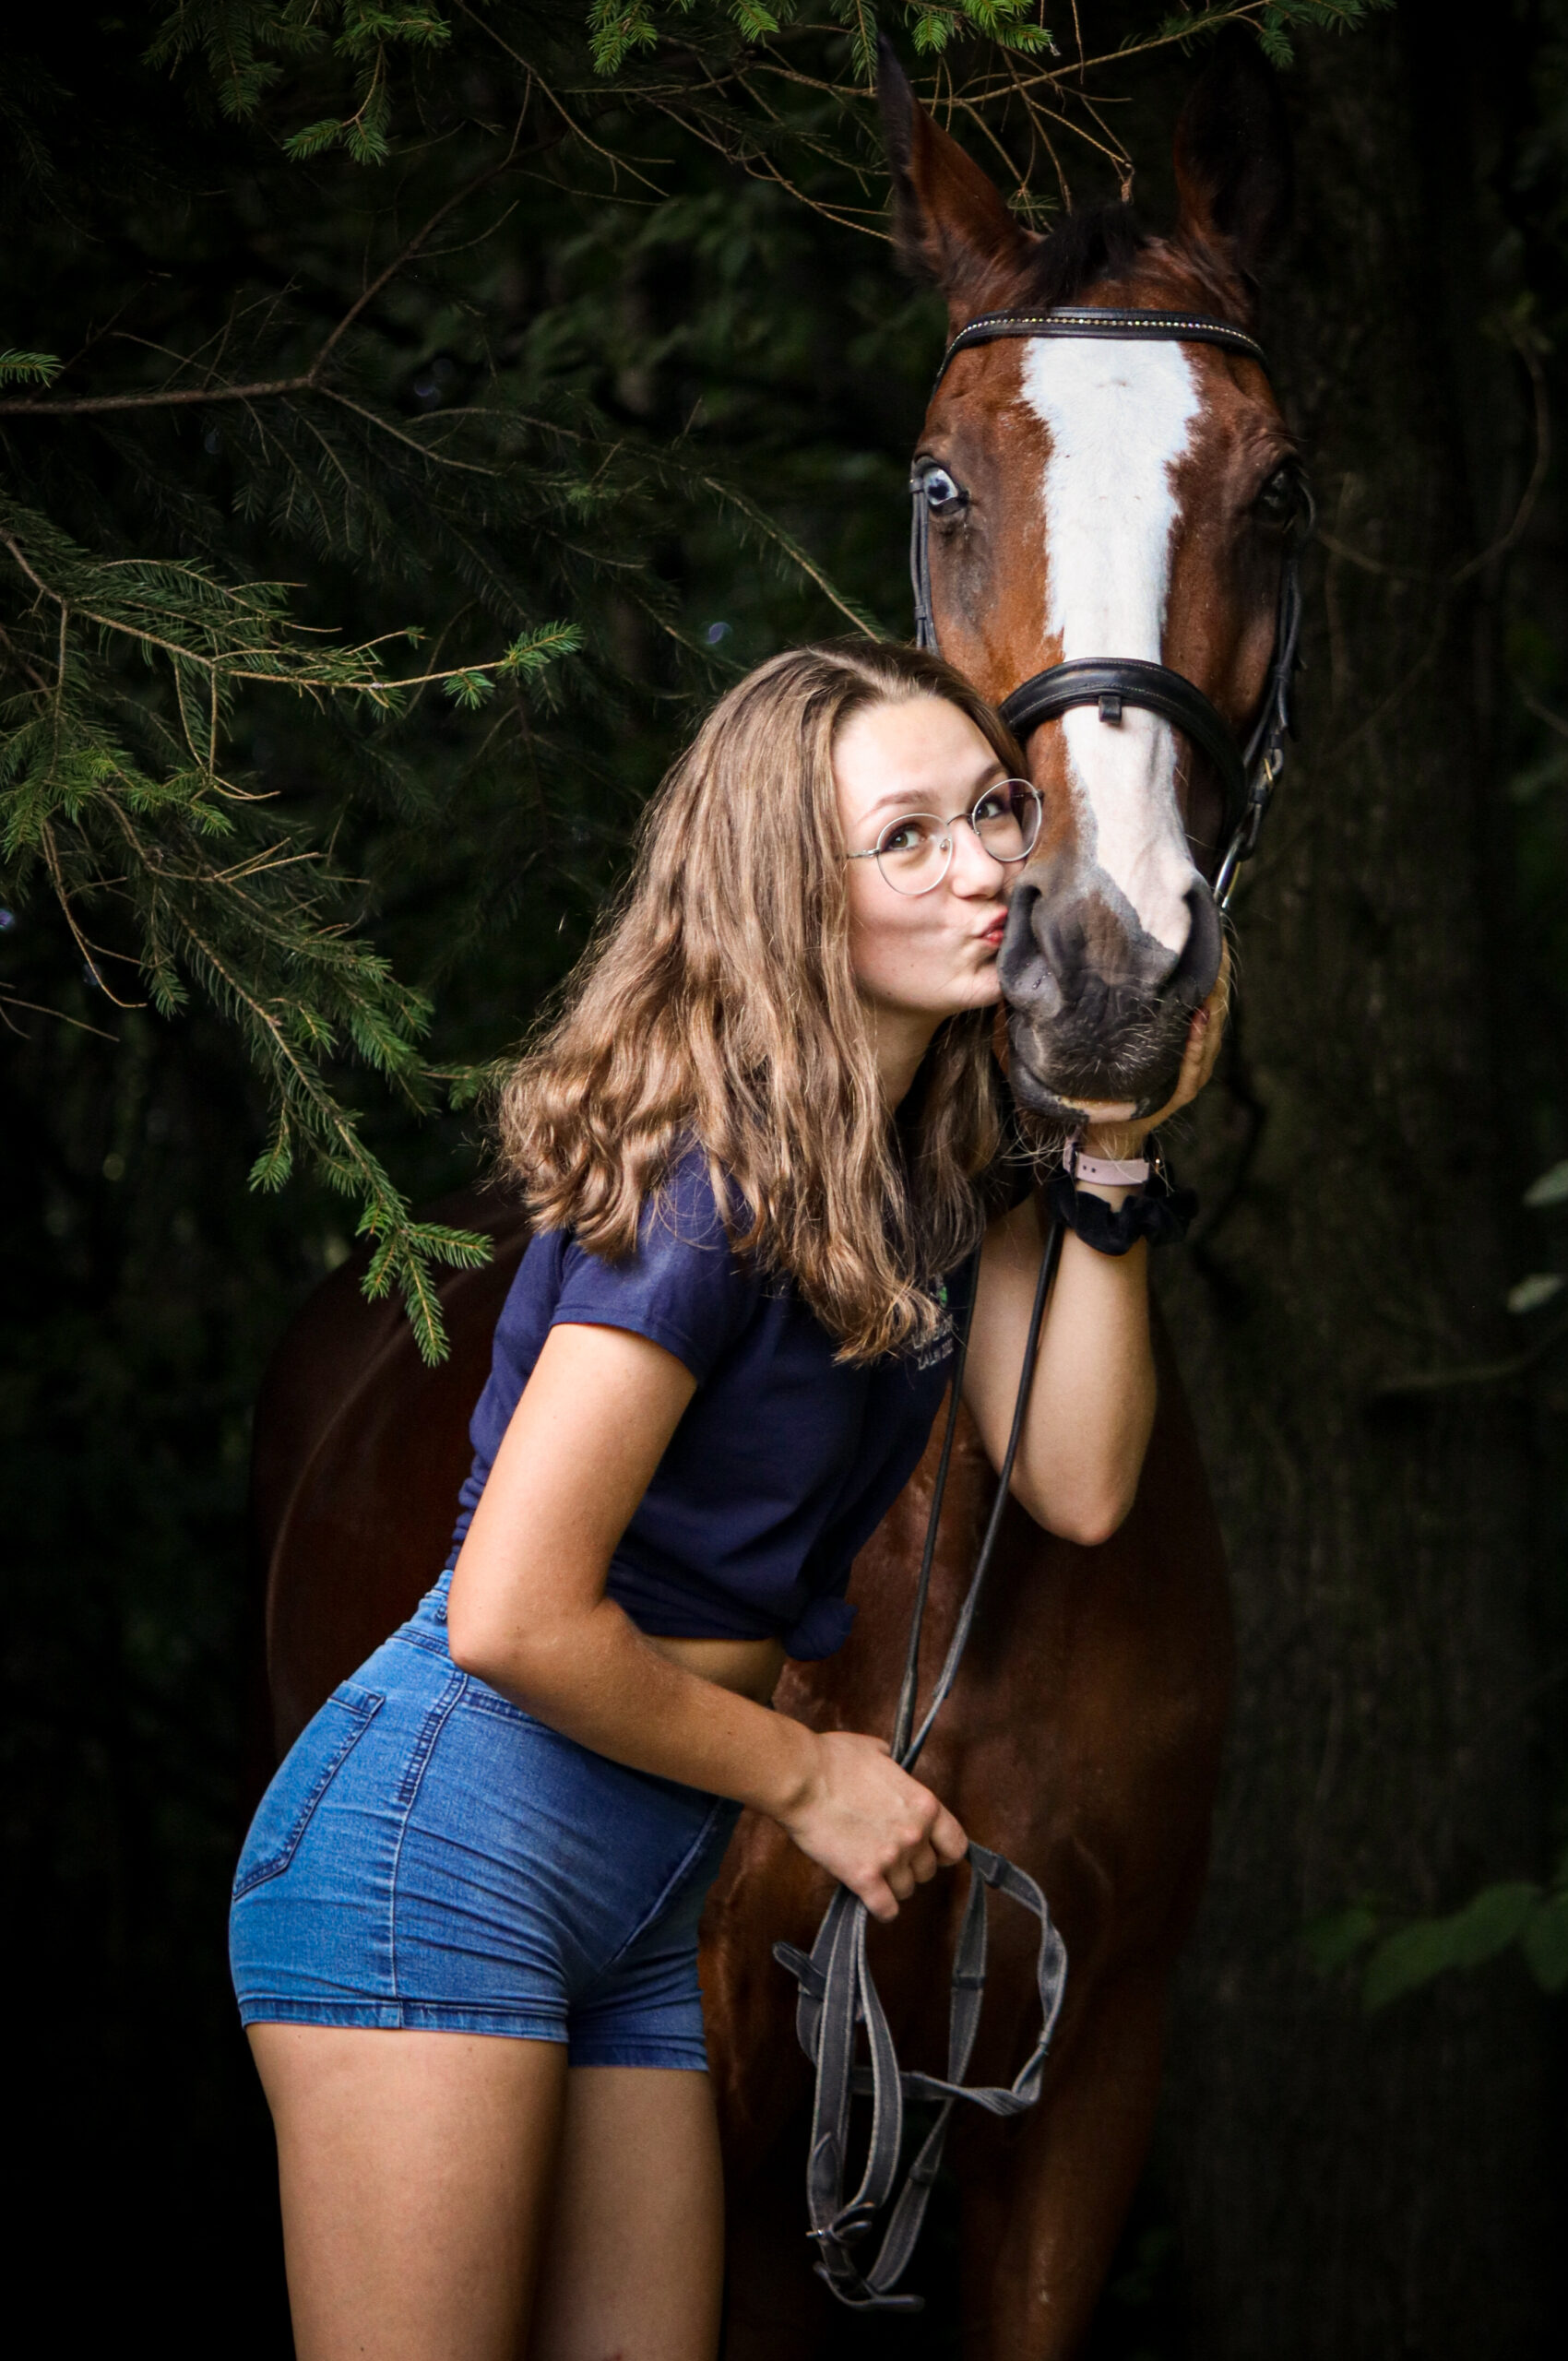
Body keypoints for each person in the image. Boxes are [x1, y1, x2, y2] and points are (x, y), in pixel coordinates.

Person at [227, 640, 1225, 2361]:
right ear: (786, 895)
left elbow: (1076, 1484)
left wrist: (1112, 1146)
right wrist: (810, 1778)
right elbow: (512, 1616)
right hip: (437, 1862)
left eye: (994, 812)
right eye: (906, 838)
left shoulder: (922, 1181)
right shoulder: (704, 1186)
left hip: (632, 1893)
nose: (988, 866)